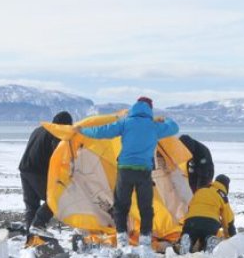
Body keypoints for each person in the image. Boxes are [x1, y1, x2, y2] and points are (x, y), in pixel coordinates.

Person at [76, 96, 179, 248]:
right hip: (144, 172)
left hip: (125, 170)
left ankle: (122, 238)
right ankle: (145, 240)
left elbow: (103, 131)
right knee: (146, 207)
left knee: (121, 206)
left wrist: (83, 130)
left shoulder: (125, 122)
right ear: (150, 109)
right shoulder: (153, 126)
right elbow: (174, 127)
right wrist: (164, 120)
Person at [18, 110, 73, 243]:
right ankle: (38, 225)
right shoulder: (56, 133)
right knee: (55, 199)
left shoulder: (39, 130)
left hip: (24, 168)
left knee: (31, 205)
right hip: (38, 171)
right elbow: (58, 156)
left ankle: (32, 238)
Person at [181, 174, 236, 252]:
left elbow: (190, 207)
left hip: (191, 221)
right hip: (210, 223)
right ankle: (208, 242)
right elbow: (228, 219)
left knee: (190, 236)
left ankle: (188, 241)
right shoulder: (221, 195)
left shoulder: (200, 190)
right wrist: (230, 238)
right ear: (226, 186)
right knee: (206, 240)